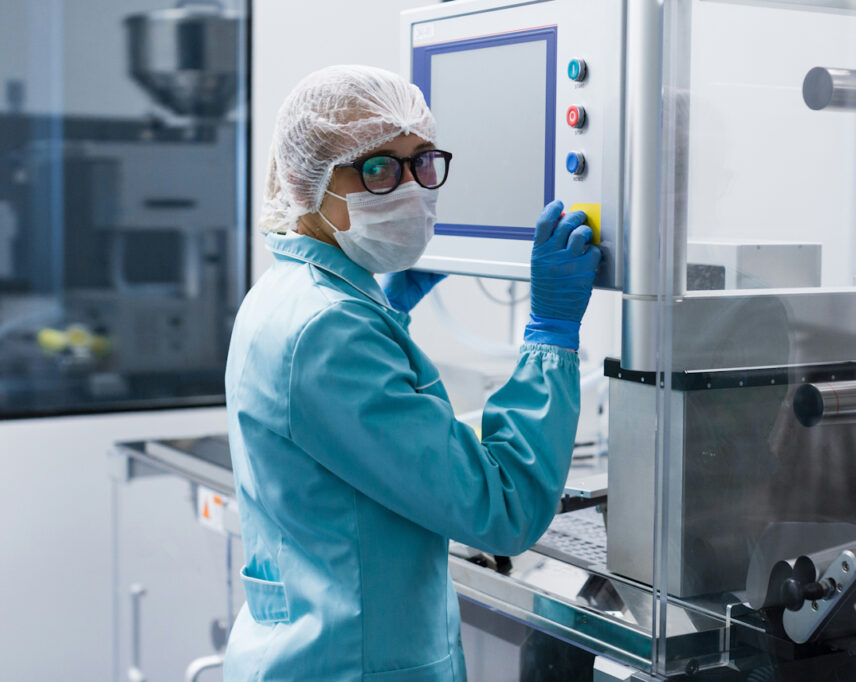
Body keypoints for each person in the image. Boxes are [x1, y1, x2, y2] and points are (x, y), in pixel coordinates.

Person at [223, 64, 602, 681]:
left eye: (423, 161)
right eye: (378, 169)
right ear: (304, 179)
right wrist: (550, 335)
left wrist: (387, 306)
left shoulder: (290, 292)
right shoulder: (329, 329)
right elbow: (502, 510)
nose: (411, 190)